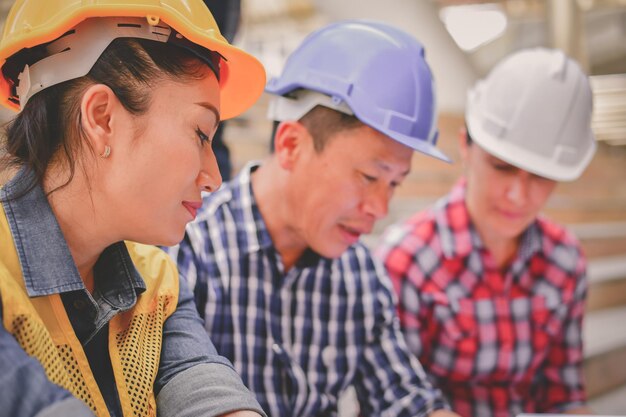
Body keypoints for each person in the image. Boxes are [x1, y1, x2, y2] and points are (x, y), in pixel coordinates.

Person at [166, 20, 460, 417]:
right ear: (291, 145)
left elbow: (406, 399)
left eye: (393, 184)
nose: (379, 207)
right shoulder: (192, 247)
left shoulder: (359, 274)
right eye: (369, 177)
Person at [0, 0, 268, 416]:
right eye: (200, 133)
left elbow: (205, 390)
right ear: (102, 117)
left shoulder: (157, 283)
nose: (214, 177)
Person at [376, 48, 597, 417]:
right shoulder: (408, 259)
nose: (518, 196)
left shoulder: (565, 259)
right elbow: (402, 398)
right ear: (466, 145)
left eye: (541, 177)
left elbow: (563, 392)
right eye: (502, 168)